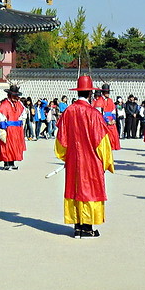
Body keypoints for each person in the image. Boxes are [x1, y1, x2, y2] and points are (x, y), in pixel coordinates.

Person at [54, 75, 115, 239]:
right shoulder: (93, 114)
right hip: (91, 160)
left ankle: (77, 227)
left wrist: (65, 156)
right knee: (89, 190)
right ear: (90, 93)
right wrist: (107, 162)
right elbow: (102, 142)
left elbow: (61, 140)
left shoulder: (68, 111)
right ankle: (87, 228)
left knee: (75, 189)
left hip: (74, 159)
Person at [0, 84, 27, 171]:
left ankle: (12, 162)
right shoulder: (4, 104)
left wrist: (21, 122)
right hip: (8, 128)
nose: (15, 97)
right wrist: (2, 130)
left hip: (17, 129)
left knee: (15, 146)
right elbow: (1, 117)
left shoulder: (19, 104)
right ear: (9, 95)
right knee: (6, 145)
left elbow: (24, 113)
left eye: (16, 95)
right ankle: (6, 163)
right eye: (13, 95)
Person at [94, 83, 120, 150]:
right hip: (103, 121)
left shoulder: (110, 100)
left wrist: (114, 119)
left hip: (111, 120)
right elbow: (99, 114)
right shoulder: (99, 101)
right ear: (103, 92)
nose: (108, 93)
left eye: (108, 92)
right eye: (106, 92)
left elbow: (113, 111)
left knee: (113, 135)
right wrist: (107, 121)